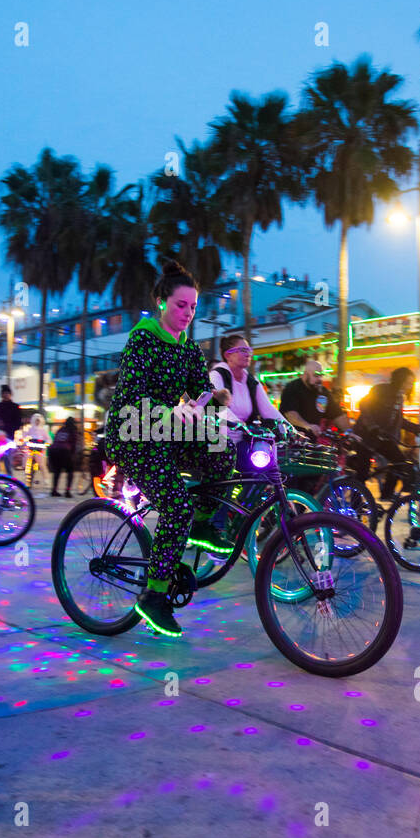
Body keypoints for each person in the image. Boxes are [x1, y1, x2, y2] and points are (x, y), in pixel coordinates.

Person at [104, 260, 235, 638]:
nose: (188, 314)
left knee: (221, 446)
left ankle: (203, 523)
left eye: (193, 307)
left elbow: (201, 395)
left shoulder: (189, 349)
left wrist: (217, 403)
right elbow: (130, 400)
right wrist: (171, 411)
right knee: (176, 504)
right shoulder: (142, 340)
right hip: (133, 433)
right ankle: (154, 596)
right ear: (161, 302)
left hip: (167, 431)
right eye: (181, 305)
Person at [352, 367, 420, 492]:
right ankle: (355, 505)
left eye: (411, 383)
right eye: (407, 382)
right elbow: (364, 406)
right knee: (362, 473)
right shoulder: (380, 390)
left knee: (400, 463)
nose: (409, 386)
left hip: (383, 438)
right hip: (365, 436)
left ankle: (387, 496)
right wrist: (372, 427)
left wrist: (418, 429)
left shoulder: (399, 398)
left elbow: (399, 420)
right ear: (399, 380)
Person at [208, 334, 285, 425]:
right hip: (221, 436)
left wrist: (292, 430)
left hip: (246, 436)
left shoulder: (251, 381)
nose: (248, 354)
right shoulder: (216, 375)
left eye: (249, 350)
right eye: (243, 350)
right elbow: (217, 407)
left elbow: (269, 410)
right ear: (228, 355)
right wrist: (237, 423)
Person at [279, 360, 350, 438]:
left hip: (312, 441)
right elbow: (290, 414)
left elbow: (337, 414)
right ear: (305, 375)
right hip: (292, 440)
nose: (320, 379)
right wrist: (308, 426)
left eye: (321, 375)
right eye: (316, 375)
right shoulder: (292, 388)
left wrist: (349, 432)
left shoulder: (323, 392)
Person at [0, 384, 23, 476]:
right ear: (2, 395)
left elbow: (18, 423)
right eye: (4, 393)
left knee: (6, 461)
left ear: (10, 394)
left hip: (8, 438)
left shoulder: (15, 407)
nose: (6, 395)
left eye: (7, 393)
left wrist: (5, 427)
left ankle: (9, 482)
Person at [48, 416, 81, 496]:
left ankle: (54, 489)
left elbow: (55, 440)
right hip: (65, 451)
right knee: (70, 471)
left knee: (57, 472)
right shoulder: (73, 430)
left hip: (54, 450)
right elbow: (74, 444)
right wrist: (73, 455)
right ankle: (67, 491)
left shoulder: (61, 429)